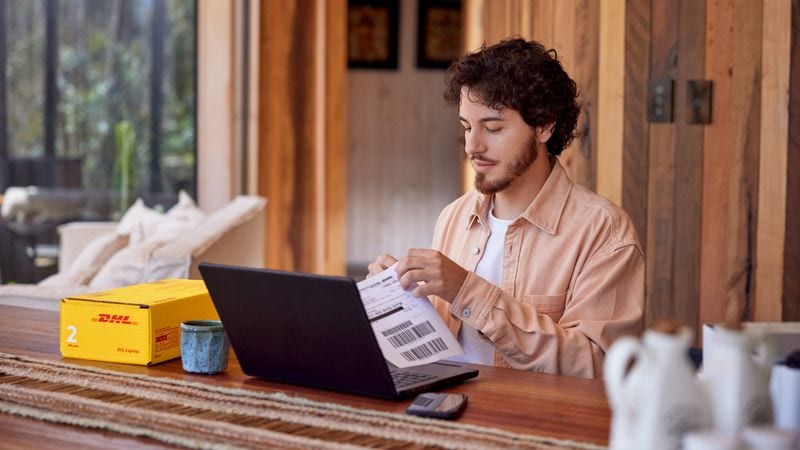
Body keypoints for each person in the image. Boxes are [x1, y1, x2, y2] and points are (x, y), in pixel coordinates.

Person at [368, 38, 644, 379]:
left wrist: (466, 292)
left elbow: (600, 367)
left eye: (493, 128)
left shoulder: (605, 232)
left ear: (544, 125)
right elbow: (432, 350)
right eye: (467, 127)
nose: (473, 146)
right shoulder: (454, 216)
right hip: (444, 418)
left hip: (530, 427)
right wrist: (393, 300)